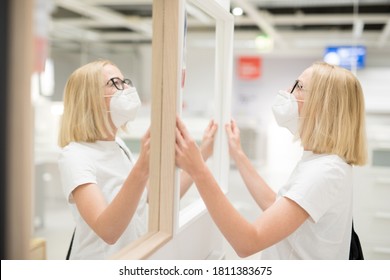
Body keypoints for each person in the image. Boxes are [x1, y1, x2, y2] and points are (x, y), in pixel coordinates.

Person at [175, 61, 367, 259]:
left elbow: (247, 242)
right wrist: (238, 154)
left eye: (299, 87)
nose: (287, 91)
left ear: (322, 106)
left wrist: (198, 169)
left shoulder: (324, 172)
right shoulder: (322, 162)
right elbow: (275, 205)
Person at [58, 59, 217, 259]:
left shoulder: (119, 146)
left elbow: (151, 198)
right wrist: (143, 165)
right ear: (89, 99)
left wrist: (203, 153)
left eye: (125, 81)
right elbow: (108, 231)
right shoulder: (75, 155)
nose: (125, 88)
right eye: (114, 83)